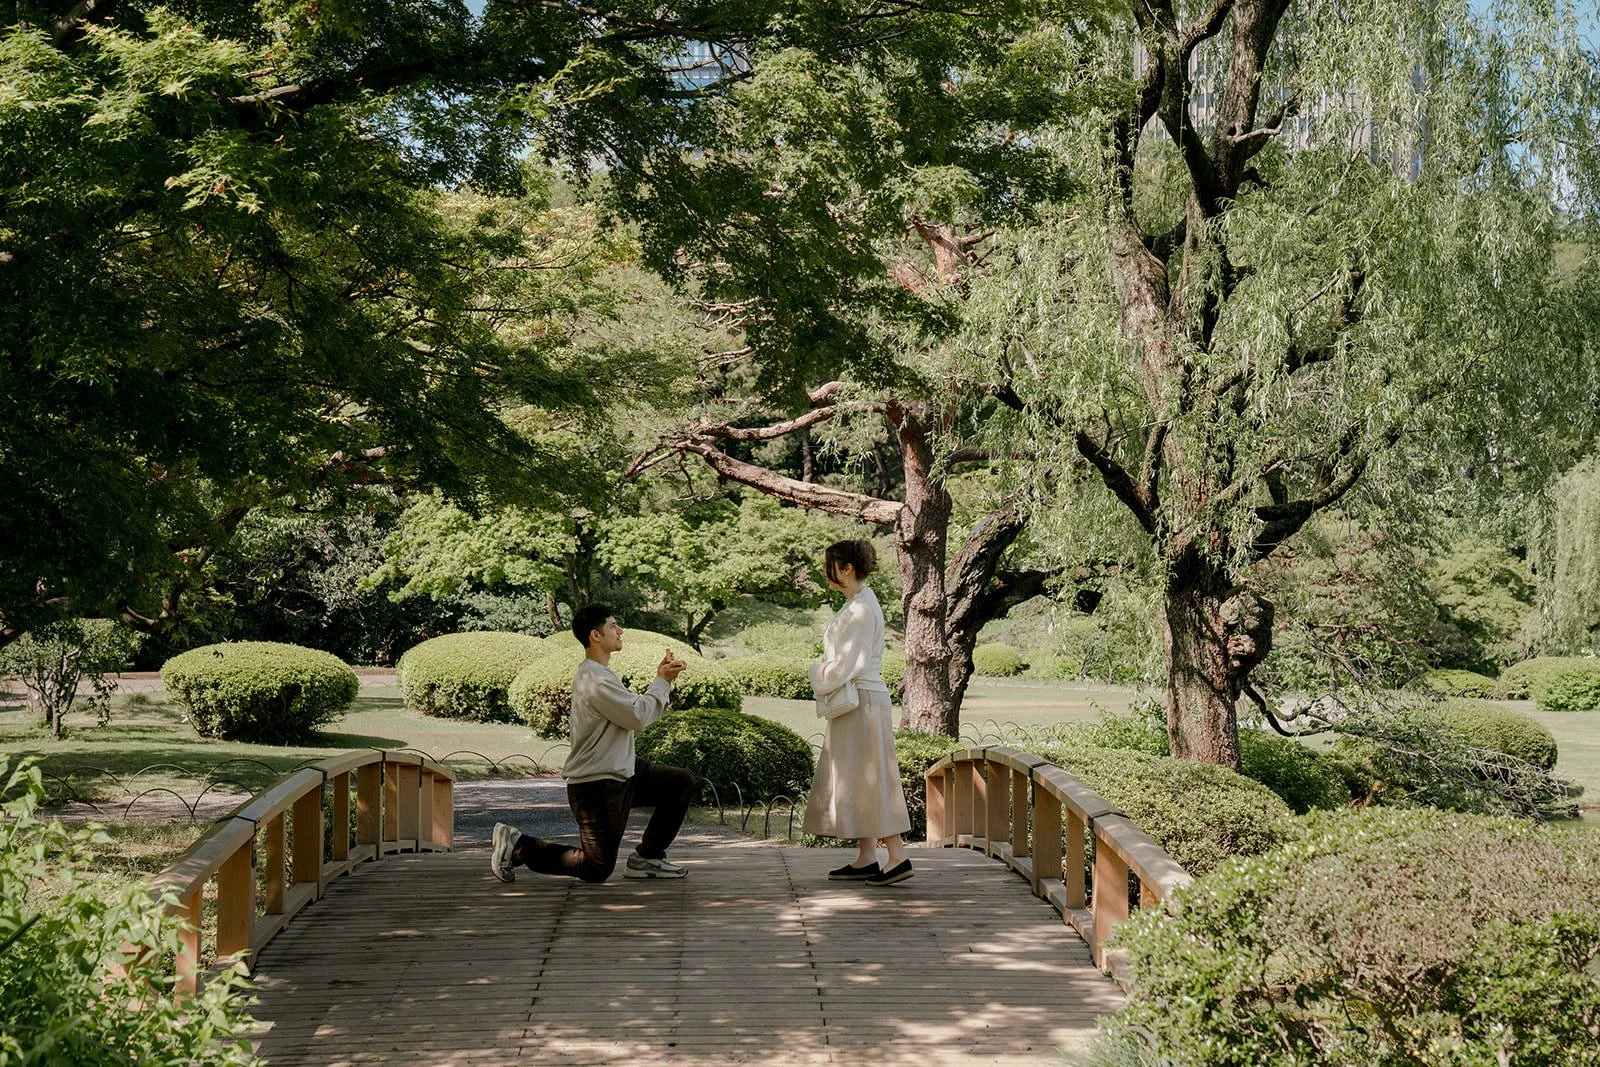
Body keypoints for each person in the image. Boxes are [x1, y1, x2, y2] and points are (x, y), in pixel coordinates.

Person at [490, 604, 697, 884]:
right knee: (596, 867)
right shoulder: (593, 678)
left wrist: (661, 681)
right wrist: (661, 681)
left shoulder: (600, 674)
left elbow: (634, 709)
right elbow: (636, 715)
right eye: (613, 625)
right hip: (597, 784)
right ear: (595, 636)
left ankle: (649, 857)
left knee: (679, 782)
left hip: (622, 772)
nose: (620, 629)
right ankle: (518, 846)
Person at [802, 539, 914, 886]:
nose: (826, 575)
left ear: (846, 568)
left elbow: (846, 665)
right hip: (859, 698)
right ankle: (868, 855)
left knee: (872, 776)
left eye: (830, 567)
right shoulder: (859, 603)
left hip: (860, 698)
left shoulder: (861, 608)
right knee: (858, 776)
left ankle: (896, 855)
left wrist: (816, 671)